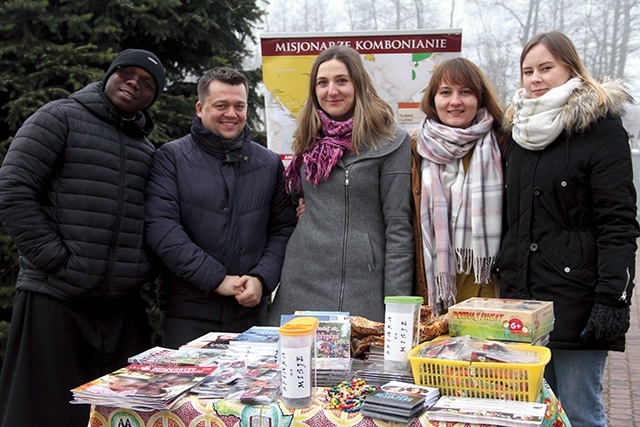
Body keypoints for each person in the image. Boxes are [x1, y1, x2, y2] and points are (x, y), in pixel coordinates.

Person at [0, 49, 166, 427]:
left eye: (147, 83)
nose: (134, 83)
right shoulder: (60, 117)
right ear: (110, 74)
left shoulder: (146, 150)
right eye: (127, 73)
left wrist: (138, 271)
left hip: (118, 309)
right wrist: (55, 259)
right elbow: (13, 188)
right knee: (43, 412)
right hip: (55, 296)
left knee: (113, 415)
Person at [495, 31, 639, 427]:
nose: (535, 78)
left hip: (579, 298)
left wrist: (614, 299)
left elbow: (619, 222)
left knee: (579, 412)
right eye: (528, 71)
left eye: (546, 68)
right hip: (524, 303)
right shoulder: (519, 132)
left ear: (570, 69)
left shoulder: (600, 129)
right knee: (535, 411)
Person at [144, 67, 297, 348]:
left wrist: (262, 280)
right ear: (201, 108)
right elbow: (161, 229)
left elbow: (282, 229)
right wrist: (217, 279)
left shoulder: (269, 163)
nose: (232, 114)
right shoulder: (171, 158)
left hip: (250, 315)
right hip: (187, 314)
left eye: (239, 106)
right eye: (221, 105)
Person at [267, 45, 414, 324]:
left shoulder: (390, 142)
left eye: (341, 81)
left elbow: (399, 228)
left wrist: (397, 310)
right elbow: (291, 200)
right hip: (301, 282)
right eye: (322, 83)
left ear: (358, 84)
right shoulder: (307, 140)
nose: (331, 91)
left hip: (362, 288)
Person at [410, 58, 507, 316]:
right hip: (435, 292)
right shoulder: (414, 150)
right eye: (445, 92)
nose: (455, 101)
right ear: (432, 100)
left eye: (465, 91)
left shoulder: (503, 144)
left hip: (490, 293)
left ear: (479, 98)